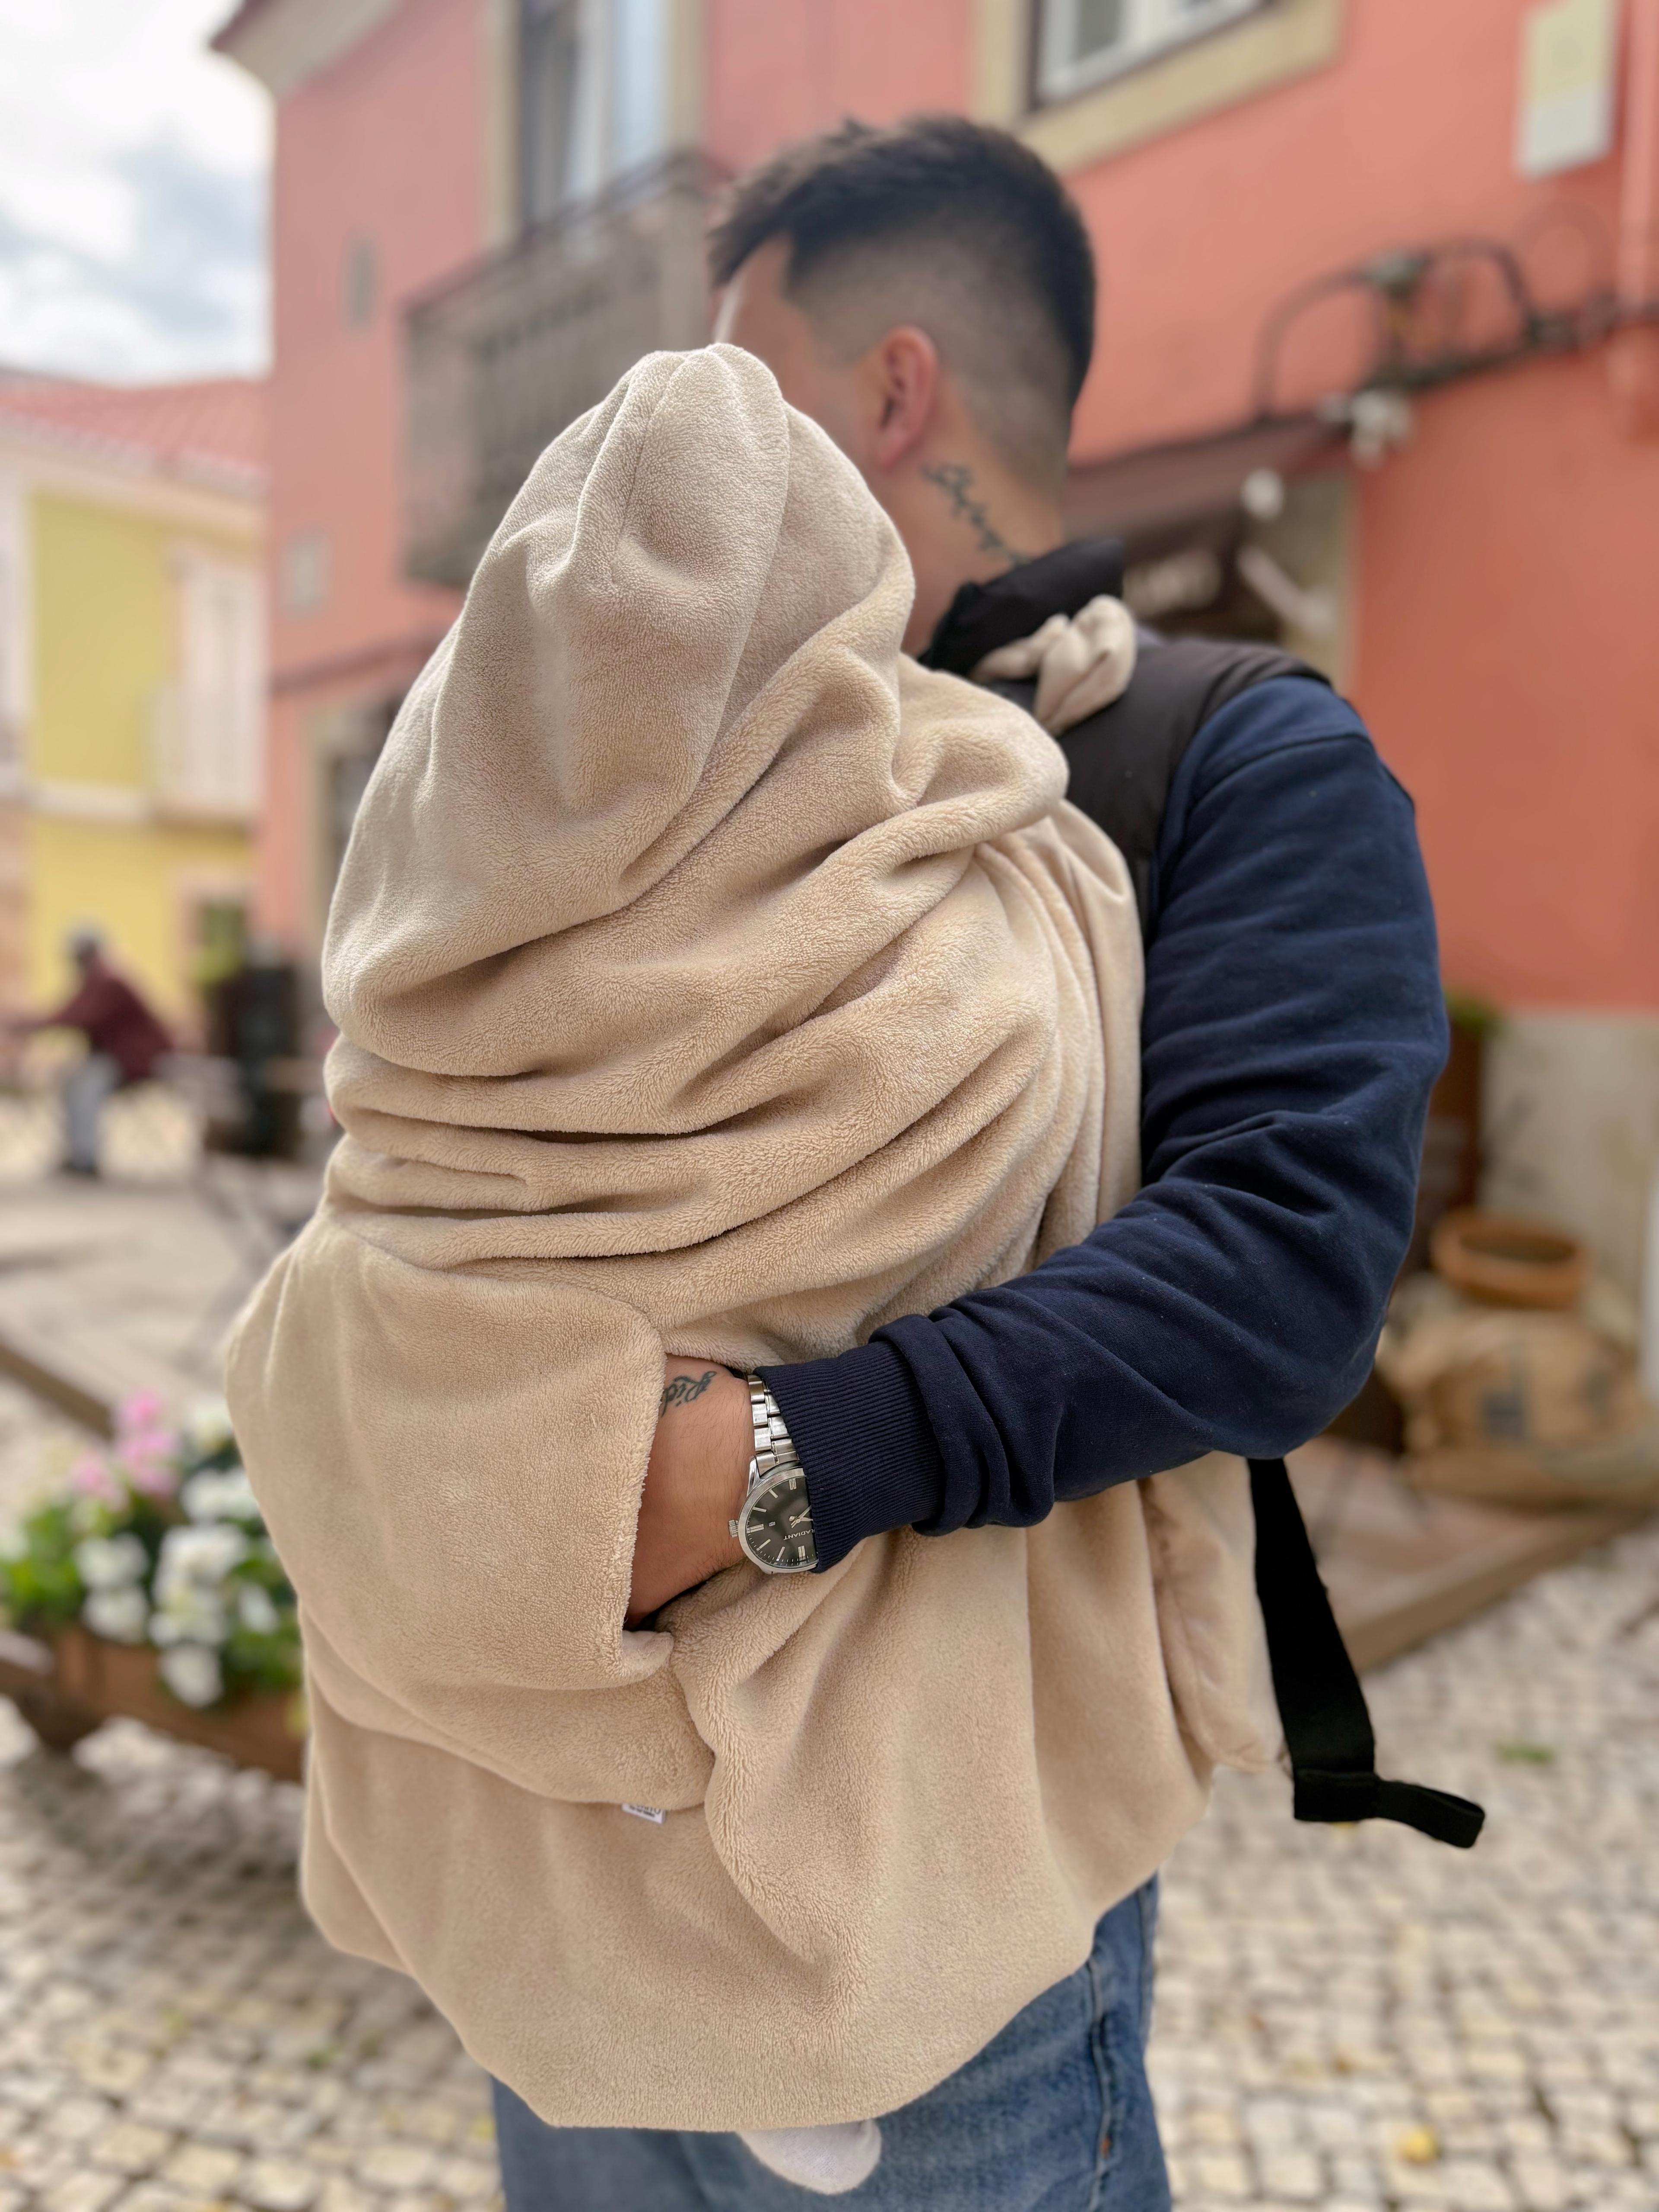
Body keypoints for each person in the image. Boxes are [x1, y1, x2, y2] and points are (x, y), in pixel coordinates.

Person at [567, 114, 1450, 2203]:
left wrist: (752, 1465)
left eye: (746, 383)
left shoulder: (1233, 752)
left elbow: (1282, 1261)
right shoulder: (688, 772)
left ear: (892, 393)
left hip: (941, 1890)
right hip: (566, 1861)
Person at [6, 928, 173, 1176]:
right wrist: (33, 1024)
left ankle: (85, 1157)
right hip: (120, 1060)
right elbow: (71, 1011)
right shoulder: (97, 982)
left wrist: (32, 1025)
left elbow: (80, 1016)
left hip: (140, 1061)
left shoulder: (110, 982)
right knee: (73, 1077)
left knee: (86, 1082)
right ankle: (77, 1152)